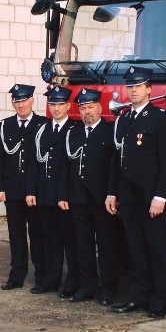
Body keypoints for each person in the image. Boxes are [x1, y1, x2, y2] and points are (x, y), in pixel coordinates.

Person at [107, 66, 166, 319]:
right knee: (135, 248)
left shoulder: (161, 119)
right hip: (128, 196)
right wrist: (111, 193)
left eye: (138, 86)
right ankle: (140, 295)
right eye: (130, 86)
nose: (133, 90)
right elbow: (118, 159)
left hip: (151, 197)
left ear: (149, 89)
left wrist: (161, 196)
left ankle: (160, 299)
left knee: (157, 248)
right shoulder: (124, 119)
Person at [61, 88, 119, 305]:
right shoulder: (73, 133)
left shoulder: (109, 131)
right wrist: (65, 194)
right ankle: (87, 286)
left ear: (100, 108)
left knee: (106, 247)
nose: (87, 112)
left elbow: (114, 167)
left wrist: (112, 193)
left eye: (91, 107)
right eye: (83, 108)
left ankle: (108, 289)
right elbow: (68, 167)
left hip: (102, 200)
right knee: (83, 247)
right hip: (78, 199)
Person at [25, 86, 79, 297]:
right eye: (52, 104)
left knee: (69, 241)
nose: (56, 109)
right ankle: (50, 280)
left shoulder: (73, 130)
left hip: (63, 197)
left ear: (68, 106)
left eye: (60, 104)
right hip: (44, 194)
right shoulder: (42, 130)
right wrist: (31, 190)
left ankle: (71, 283)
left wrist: (65, 195)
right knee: (50, 240)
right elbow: (33, 163)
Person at [0, 84, 48, 291]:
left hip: (34, 191)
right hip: (13, 189)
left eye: (24, 100)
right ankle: (16, 275)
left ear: (32, 101)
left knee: (37, 235)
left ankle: (41, 276)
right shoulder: (5, 125)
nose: (20, 104)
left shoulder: (43, 124)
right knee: (16, 235)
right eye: (16, 101)